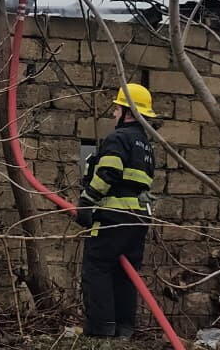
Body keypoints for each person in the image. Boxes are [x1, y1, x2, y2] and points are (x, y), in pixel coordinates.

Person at [76, 82, 157, 339]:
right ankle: (124, 329)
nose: (113, 114)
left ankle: (101, 330)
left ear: (129, 113)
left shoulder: (118, 138)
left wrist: (87, 201)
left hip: (113, 216)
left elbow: (108, 172)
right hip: (138, 219)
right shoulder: (146, 146)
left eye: (117, 108)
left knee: (96, 267)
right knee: (126, 274)